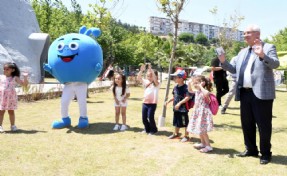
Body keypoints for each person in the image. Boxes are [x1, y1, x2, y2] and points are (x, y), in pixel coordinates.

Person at [218, 24, 280, 164]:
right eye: (244, 33)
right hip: (245, 94)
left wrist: (262, 55)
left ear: (257, 34)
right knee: (247, 124)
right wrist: (223, 62)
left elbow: (275, 64)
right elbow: (234, 70)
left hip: (262, 94)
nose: (244, 35)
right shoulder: (242, 52)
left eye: (248, 33)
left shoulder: (269, 47)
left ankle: (265, 153)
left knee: (263, 125)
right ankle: (251, 149)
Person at [187, 75, 214, 152]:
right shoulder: (197, 92)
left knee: (203, 130)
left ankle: (208, 146)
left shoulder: (203, 91)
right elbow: (190, 91)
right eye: (194, 83)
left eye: (197, 83)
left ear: (203, 83)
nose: (195, 84)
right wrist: (189, 83)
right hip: (198, 112)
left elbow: (207, 93)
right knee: (199, 129)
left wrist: (201, 86)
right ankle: (203, 143)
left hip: (203, 113)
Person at [0, 62, 28, 132]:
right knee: (1, 112)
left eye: (7, 69)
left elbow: (24, 84)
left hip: (11, 98)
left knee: (11, 111)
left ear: (12, 70)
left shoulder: (14, 78)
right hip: (2, 97)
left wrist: (25, 77)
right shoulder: (1, 77)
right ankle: (0, 126)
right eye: (4, 69)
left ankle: (13, 126)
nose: (5, 70)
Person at [165, 69, 192, 142]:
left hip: (183, 109)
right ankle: (176, 134)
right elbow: (175, 96)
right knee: (176, 121)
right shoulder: (175, 87)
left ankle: (186, 136)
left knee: (185, 122)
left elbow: (188, 97)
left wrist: (179, 103)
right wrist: (168, 101)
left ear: (181, 78)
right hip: (176, 108)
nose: (174, 78)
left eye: (175, 77)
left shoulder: (186, 88)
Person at [137, 63, 160, 135]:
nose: (149, 77)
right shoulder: (146, 82)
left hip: (152, 103)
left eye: (151, 76)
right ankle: (147, 129)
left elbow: (155, 81)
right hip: (145, 102)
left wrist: (151, 70)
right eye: (147, 76)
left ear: (155, 76)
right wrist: (141, 71)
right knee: (144, 118)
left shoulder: (157, 83)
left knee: (150, 116)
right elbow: (138, 78)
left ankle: (153, 129)